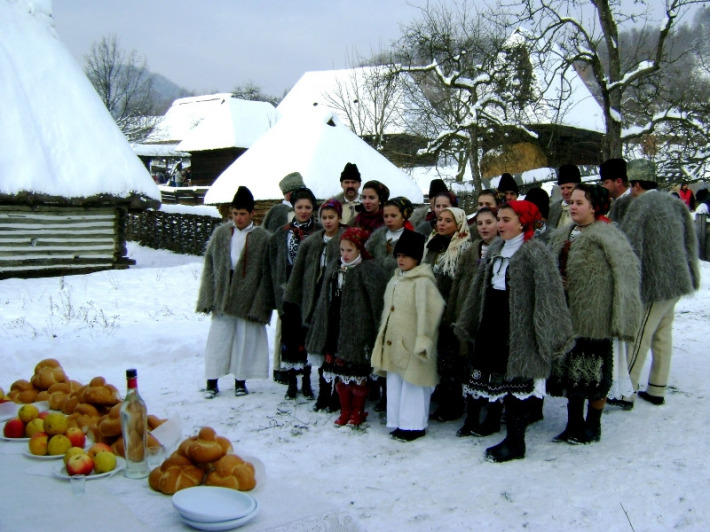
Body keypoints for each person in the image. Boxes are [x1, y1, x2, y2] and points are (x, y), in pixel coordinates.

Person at [456, 200, 574, 462]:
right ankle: (504, 433)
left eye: (506, 219)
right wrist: (471, 318)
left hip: (519, 325)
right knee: (497, 379)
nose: (500, 224)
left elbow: (549, 296)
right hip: (494, 319)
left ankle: (516, 441)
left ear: (523, 222)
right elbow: (481, 286)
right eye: (499, 218)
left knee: (518, 382)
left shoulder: (534, 253)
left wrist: (549, 334)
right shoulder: (497, 247)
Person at [547, 184, 642, 444]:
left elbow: (626, 274)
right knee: (570, 371)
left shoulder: (608, 236)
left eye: (579, 202)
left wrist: (622, 316)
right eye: (572, 202)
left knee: (595, 372)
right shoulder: (564, 234)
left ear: (595, 206)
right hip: (567, 317)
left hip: (595, 316)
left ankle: (593, 425)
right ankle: (573, 423)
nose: (573, 207)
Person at [613, 159, 700, 408]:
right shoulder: (674, 203)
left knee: (639, 336)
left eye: (631, 186)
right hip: (677, 280)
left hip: (654, 284)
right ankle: (657, 388)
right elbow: (689, 242)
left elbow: (629, 246)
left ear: (637, 184)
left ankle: (625, 391)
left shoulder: (641, 207)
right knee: (663, 335)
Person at [306, 227, 388, 427]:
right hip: (335, 325)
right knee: (339, 372)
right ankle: (345, 410)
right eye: (342, 250)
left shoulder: (368, 269)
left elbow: (376, 302)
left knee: (357, 374)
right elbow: (325, 297)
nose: (344, 254)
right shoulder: (334, 267)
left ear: (359, 249)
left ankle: (358, 410)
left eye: (349, 250)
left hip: (359, 327)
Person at [196, 186, 271, 399]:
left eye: (243, 214)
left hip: (247, 292)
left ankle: (240, 381)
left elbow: (265, 273)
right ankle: (212, 381)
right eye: (235, 213)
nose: (238, 218)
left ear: (252, 214)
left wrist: (260, 302)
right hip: (224, 291)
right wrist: (208, 296)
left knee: (244, 339)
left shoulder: (261, 238)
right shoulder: (221, 234)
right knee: (219, 338)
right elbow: (210, 266)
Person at [372, 230, 445, 441]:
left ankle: (413, 425)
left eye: (406, 255)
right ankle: (397, 421)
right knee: (395, 382)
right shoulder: (396, 279)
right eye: (398, 255)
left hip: (413, 344)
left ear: (417, 257)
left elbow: (431, 310)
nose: (400, 259)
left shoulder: (422, 281)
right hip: (395, 343)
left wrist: (424, 338)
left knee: (413, 384)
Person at [284, 199, 346, 412]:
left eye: (332, 217)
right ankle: (322, 394)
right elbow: (298, 271)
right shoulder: (311, 242)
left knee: (334, 347)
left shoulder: (345, 240)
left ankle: (337, 395)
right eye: (324, 218)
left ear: (339, 217)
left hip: (336, 299)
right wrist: (292, 299)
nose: (328, 222)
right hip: (314, 299)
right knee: (318, 345)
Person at [262, 187, 321, 399]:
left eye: (307, 207)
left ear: (313, 208)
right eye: (299, 207)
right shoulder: (282, 233)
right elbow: (273, 261)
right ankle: (291, 381)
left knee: (306, 336)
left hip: (310, 291)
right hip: (288, 291)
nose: (304, 211)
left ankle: (306, 380)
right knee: (289, 336)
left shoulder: (319, 232)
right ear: (293, 208)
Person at [451, 206, 501, 437]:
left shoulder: (504, 249)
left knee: (494, 369)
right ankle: (471, 417)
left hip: (494, 316)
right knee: (473, 369)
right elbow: (459, 281)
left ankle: (492, 417)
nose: (484, 227)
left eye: (489, 222)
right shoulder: (472, 250)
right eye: (480, 223)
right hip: (471, 315)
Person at [423, 206, 472, 422]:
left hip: (451, 308)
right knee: (437, 357)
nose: (441, 224)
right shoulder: (432, 244)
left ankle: (452, 404)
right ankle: (441, 397)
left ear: (458, 224)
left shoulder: (464, 248)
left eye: (447, 221)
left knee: (450, 358)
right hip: (431, 307)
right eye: (439, 219)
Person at [548, 164, 581, 229]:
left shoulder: (587, 208)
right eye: (562, 188)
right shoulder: (553, 210)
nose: (565, 192)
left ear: (578, 187)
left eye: (569, 188)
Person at [600, 158, 631, 224]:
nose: (603, 186)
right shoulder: (614, 203)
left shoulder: (632, 204)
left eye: (606, 183)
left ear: (618, 182)